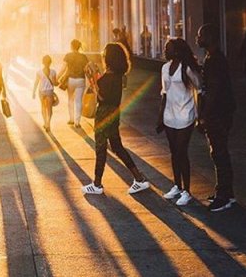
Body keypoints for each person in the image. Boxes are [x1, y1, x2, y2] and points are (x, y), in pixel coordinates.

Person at [82, 42, 149, 196]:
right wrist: (97, 76)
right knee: (117, 146)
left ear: (109, 57)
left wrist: (92, 79)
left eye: (104, 54)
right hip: (114, 113)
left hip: (104, 114)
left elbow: (101, 96)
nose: (103, 56)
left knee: (101, 147)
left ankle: (97, 184)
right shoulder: (117, 75)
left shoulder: (109, 76)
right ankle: (138, 179)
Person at [196, 23, 236, 212]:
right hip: (221, 112)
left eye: (201, 35)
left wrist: (204, 116)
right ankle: (224, 191)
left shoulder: (214, 61)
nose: (198, 38)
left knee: (219, 152)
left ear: (210, 37)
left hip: (218, 114)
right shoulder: (213, 58)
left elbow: (213, 91)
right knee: (219, 152)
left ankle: (224, 196)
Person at [157, 38, 202, 207]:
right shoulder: (164, 68)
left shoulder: (187, 68)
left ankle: (187, 191)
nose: (164, 50)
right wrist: (160, 116)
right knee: (174, 152)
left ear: (176, 51)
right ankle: (177, 185)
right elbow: (164, 93)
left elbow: (200, 88)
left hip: (186, 115)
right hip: (170, 115)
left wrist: (200, 116)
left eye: (167, 48)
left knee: (182, 151)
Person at [58, 39, 89, 127]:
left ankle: (71, 119)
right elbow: (87, 70)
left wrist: (57, 77)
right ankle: (77, 122)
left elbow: (63, 68)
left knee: (70, 99)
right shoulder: (83, 57)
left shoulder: (68, 56)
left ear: (71, 46)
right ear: (79, 47)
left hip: (71, 80)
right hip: (81, 80)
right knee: (78, 101)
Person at [33, 55, 58, 132]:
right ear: (50, 62)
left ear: (42, 62)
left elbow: (36, 83)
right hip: (49, 92)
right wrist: (58, 82)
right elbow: (54, 83)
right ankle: (48, 123)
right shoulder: (53, 72)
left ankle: (45, 122)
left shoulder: (39, 72)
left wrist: (33, 92)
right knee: (49, 109)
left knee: (43, 107)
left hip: (41, 92)